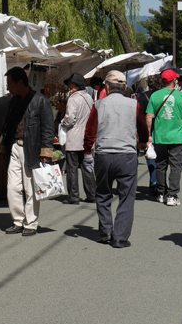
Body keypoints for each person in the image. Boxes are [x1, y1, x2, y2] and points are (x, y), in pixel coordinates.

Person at [84, 71, 149, 248]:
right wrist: (143, 141)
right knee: (126, 195)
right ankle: (120, 236)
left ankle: (105, 231)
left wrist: (87, 151)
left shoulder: (99, 104)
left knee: (103, 193)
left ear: (107, 87)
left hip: (104, 154)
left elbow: (90, 131)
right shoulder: (133, 104)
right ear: (125, 87)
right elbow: (142, 127)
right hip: (127, 154)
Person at [1, 67, 54, 236]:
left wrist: (46, 154)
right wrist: (4, 146)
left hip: (32, 148)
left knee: (30, 188)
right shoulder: (13, 102)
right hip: (15, 147)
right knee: (13, 187)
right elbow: (8, 126)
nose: (8, 87)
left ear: (20, 83)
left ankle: (30, 223)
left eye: (10, 84)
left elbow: (48, 128)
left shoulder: (40, 101)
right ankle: (18, 221)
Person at [146, 69, 182, 206]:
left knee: (160, 165)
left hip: (160, 136)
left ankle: (161, 193)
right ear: (174, 81)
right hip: (177, 137)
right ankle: (172, 195)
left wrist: (149, 134)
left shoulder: (155, 96)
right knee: (176, 166)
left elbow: (149, 117)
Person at [60, 73, 94, 204]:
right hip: (86, 137)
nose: (68, 86)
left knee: (72, 168)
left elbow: (70, 119)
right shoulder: (89, 98)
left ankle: (73, 196)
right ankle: (92, 194)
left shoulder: (73, 99)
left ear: (76, 85)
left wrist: (62, 123)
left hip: (74, 136)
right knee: (87, 167)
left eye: (70, 83)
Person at [137, 75, 163, 196]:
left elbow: (140, 115)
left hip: (149, 128)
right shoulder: (164, 95)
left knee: (150, 156)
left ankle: (154, 181)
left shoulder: (143, 96)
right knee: (163, 158)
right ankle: (161, 182)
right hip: (163, 128)